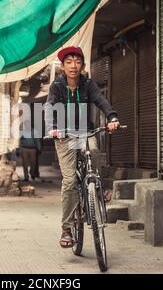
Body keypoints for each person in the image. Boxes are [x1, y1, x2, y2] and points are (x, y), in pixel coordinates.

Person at [45, 46, 120, 248]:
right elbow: (50, 107)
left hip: (85, 132)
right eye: (69, 62)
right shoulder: (57, 86)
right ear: (63, 66)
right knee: (69, 182)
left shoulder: (88, 84)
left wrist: (112, 116)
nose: (73, 66)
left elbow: (101, 101)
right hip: (64, 136)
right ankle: (67, 229)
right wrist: (53, 127)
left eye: (77, 62)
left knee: (94, 150)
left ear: (83, 65)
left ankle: (97, 186)